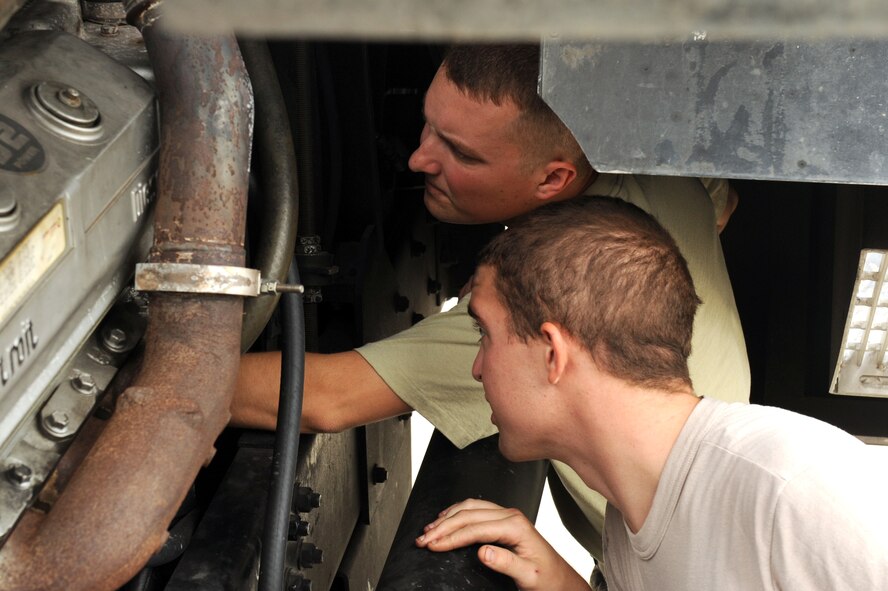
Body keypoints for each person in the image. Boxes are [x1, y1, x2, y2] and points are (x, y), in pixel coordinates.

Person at [231, 44, 750, 563]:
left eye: (462, 154)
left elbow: (326, 397)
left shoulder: (548, 309)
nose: (418, 159)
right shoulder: (672, 179)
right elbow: (724, 200)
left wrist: (162, 375)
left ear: (553, 180)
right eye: (427, 125)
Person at [415, 197, 888, 590]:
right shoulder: (631, 524)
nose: (477, 369)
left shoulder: (800, 490)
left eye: (485, 334)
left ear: (552, 353)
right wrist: (560, 580)